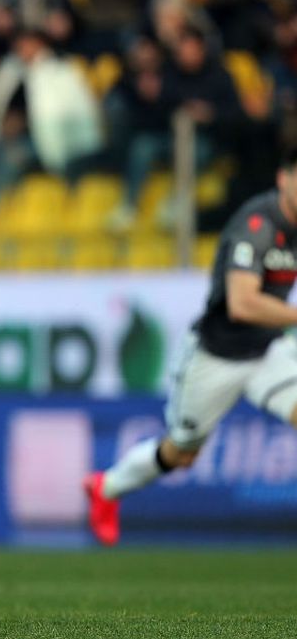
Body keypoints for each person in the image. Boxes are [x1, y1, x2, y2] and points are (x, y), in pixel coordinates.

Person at [85, 150, 297, 545]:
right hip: (216, 355)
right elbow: (242, 302)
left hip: (267, 351)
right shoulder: (258, 224)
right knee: (181, 453)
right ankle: (106, 487)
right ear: (283, 179)